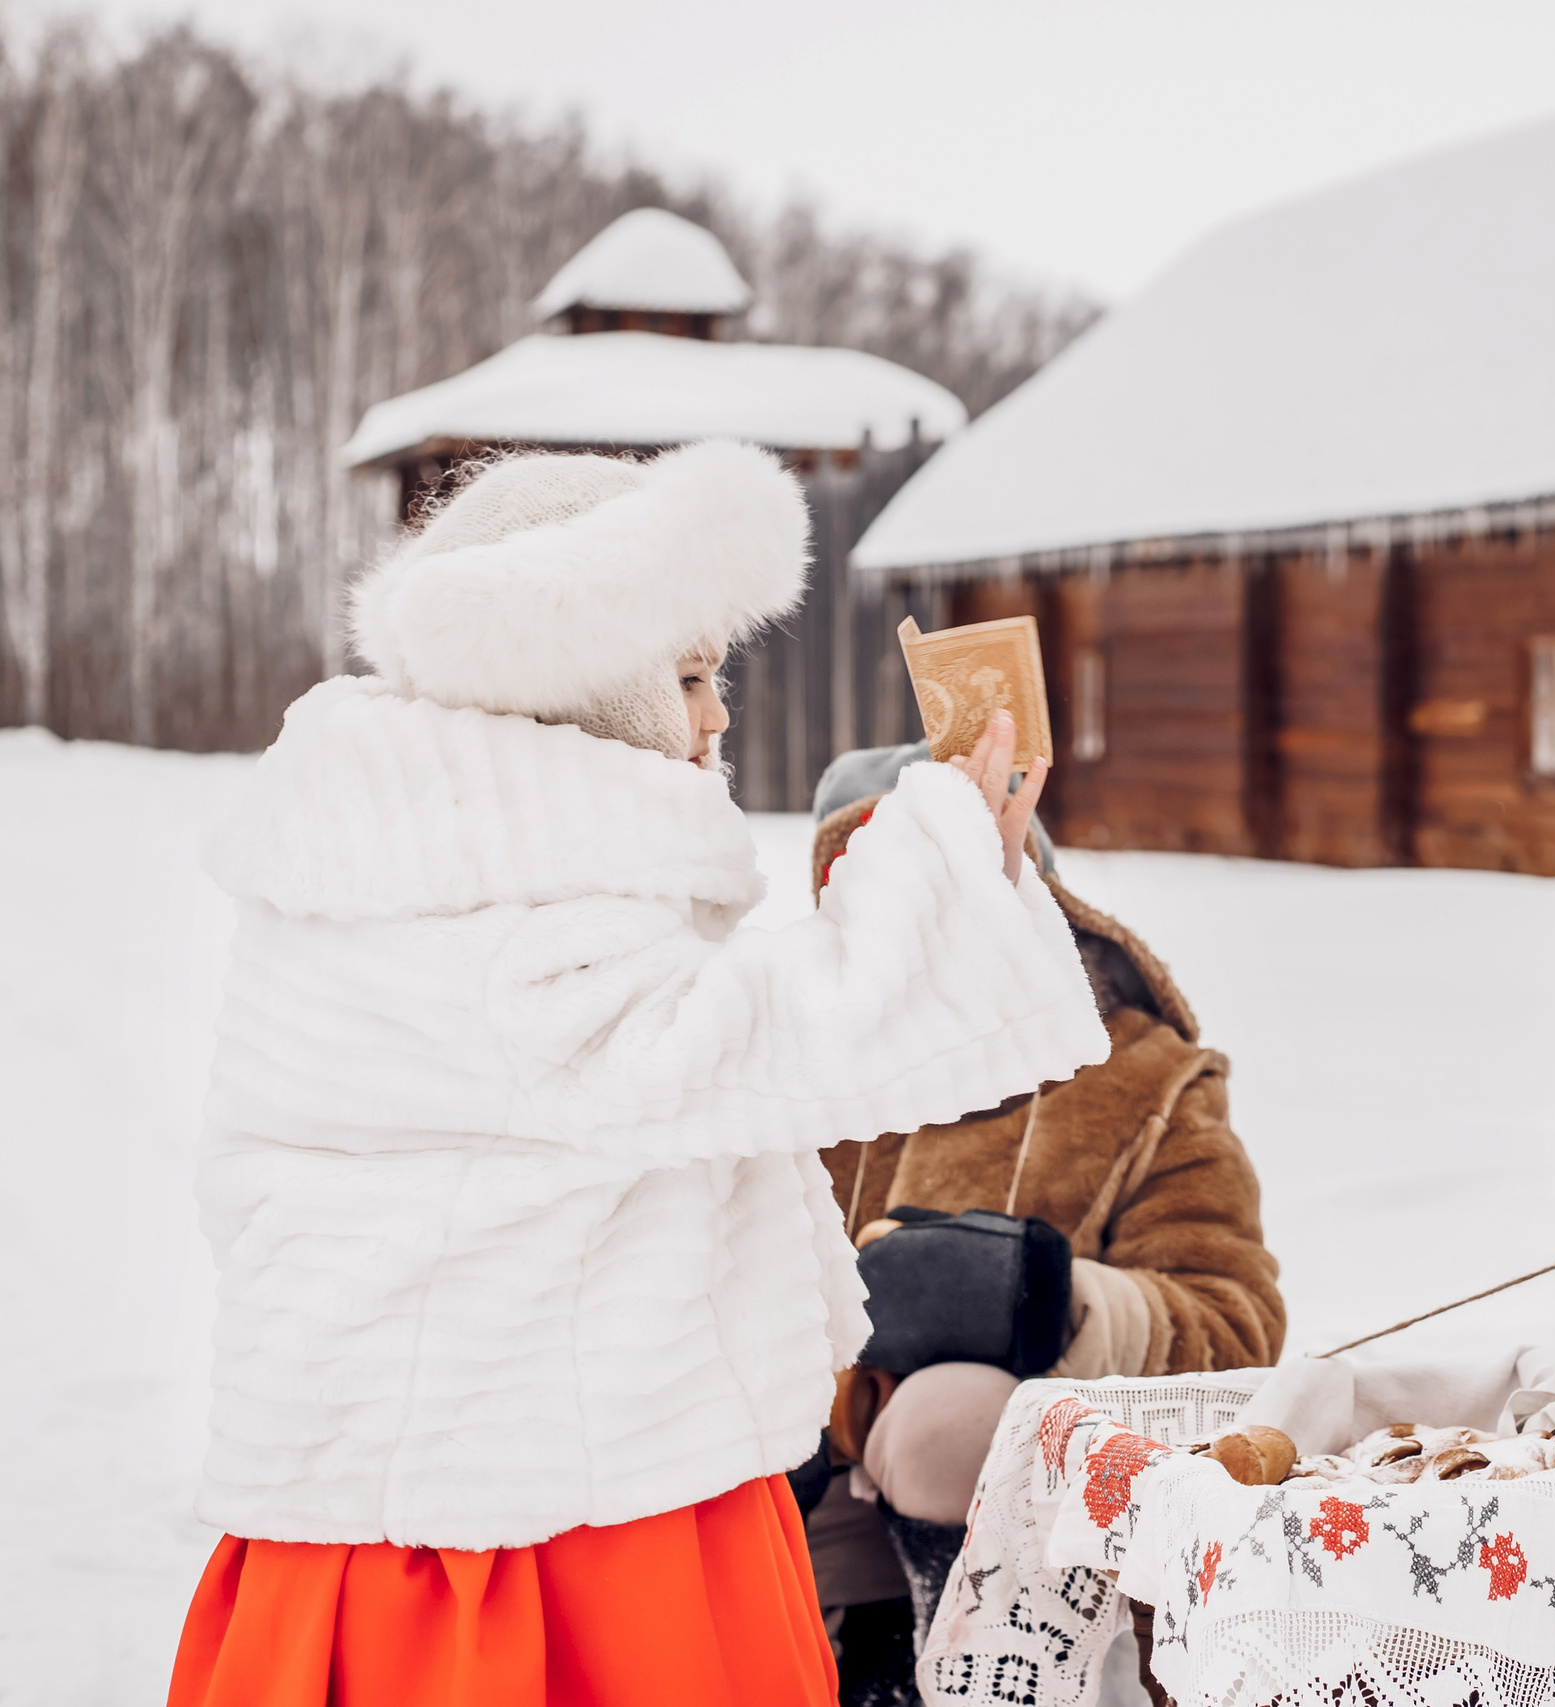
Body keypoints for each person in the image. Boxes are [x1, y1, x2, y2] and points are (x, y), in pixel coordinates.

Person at [166, 442, 1109, 1707]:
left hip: (458, 1500)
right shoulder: (491, 907)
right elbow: (744, 1043)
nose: (718, 714)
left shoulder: (427, 861)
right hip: (522, 1541)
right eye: (689, 675)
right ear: (577, 679)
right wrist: (937, 863)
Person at [800, 744, 1285, 1697]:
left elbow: (1238, 1320)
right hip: (819, 1467)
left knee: (947, 1424)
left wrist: (1054, 1299)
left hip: (1032, 1488)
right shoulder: (809, 1075)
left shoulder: (1143, 1079)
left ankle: (966, 1666)